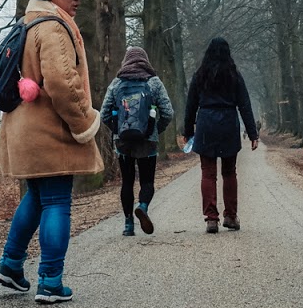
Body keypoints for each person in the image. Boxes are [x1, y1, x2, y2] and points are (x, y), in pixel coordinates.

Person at [0, 0, 104, 304]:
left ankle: (11, 265)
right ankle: (51, 281)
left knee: (37, 198)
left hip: (23, 129)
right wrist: (83, 123)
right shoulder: (54, 28)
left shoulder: (25, 25)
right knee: (57, 201)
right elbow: (62, 84)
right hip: (50, 130)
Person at [181, 37, 258, 234]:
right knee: (229, 171)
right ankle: (231, 216)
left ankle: (211, 219)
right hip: (228, 123)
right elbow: (244, 105)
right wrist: (252, 133)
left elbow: (191, 105)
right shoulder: (234, 75)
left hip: (206, 122)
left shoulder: (200, 75)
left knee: (208, 172)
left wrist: (188, 131)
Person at [99, 46, 174, 236]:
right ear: (145, 61)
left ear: (126, 61)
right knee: (147, 181)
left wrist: (117, 130)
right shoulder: (154, 82)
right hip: (148, 140)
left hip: (123, 143)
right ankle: (142, 206)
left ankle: (128, 225)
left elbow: (104, 113)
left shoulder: (117, 83)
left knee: (127, 182)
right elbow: (168, 112)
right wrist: (156, 129)